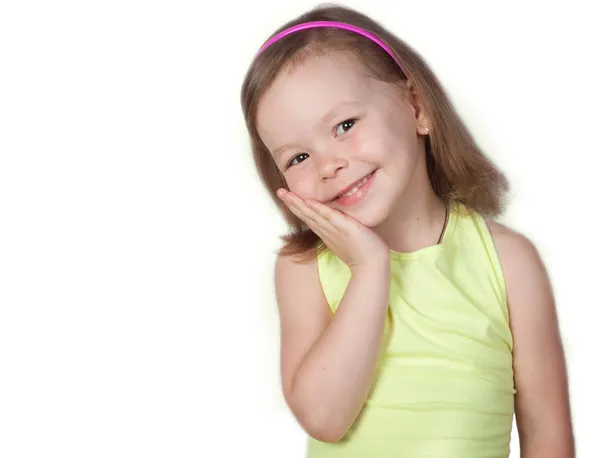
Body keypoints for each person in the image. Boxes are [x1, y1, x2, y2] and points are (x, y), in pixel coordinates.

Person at [240, 4, 574, 457]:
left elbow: (548, 436)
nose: (328, 165)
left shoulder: (509, 262)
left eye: (345, 125)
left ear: (417, 107)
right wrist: (369, 268)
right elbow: (324, 417)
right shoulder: (304, 269)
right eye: (297, 157)